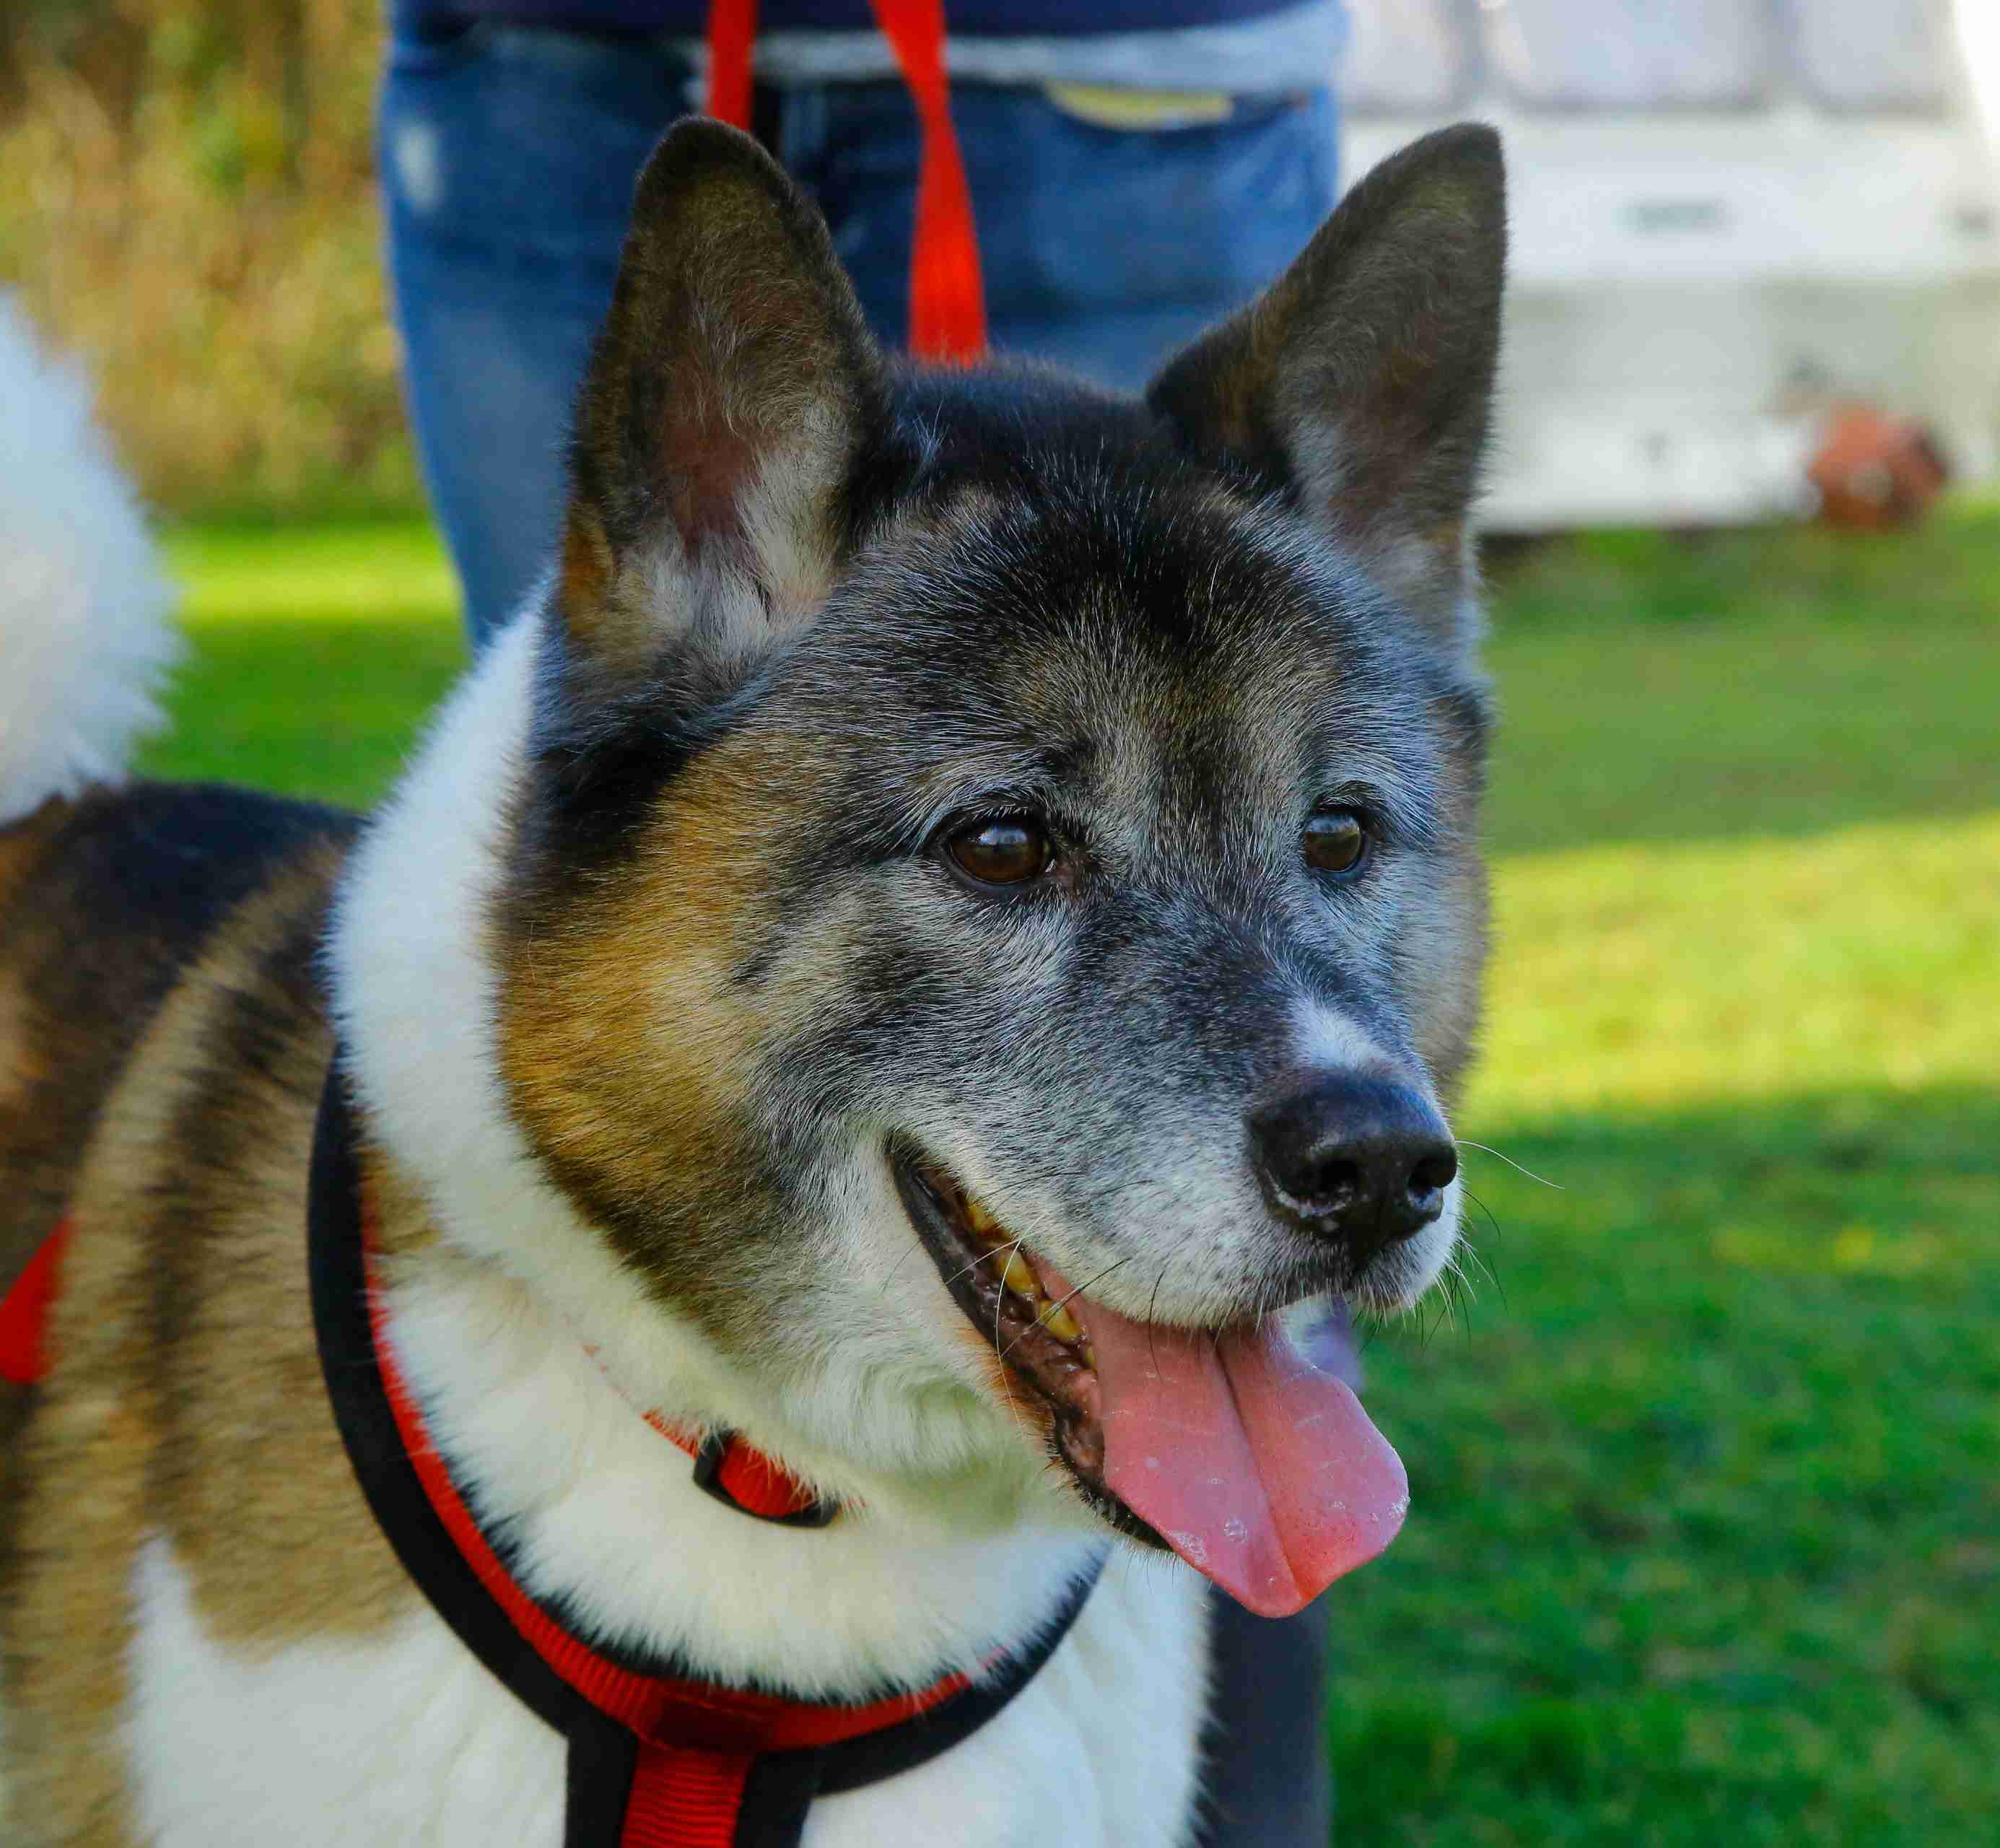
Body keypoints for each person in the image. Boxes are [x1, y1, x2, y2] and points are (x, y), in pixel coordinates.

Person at [378, 6, 1352, 1839]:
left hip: (1113, 67)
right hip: (545, 62)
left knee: (1231, 1206)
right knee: (621, 868)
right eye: (1006, 848)